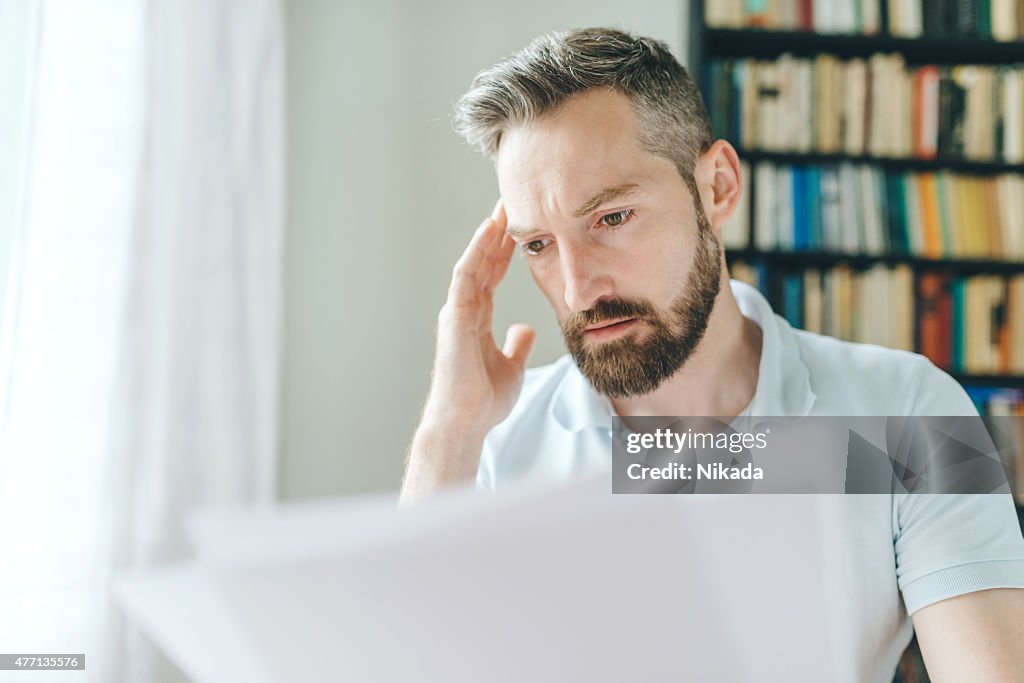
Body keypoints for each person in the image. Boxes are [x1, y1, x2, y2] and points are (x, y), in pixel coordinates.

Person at [399, 27, 1024, 680]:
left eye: (611, 218)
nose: (578, 288)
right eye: (538, 245)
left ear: (719, 186)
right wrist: (450, 428)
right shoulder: (491, 445)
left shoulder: (911, 415)